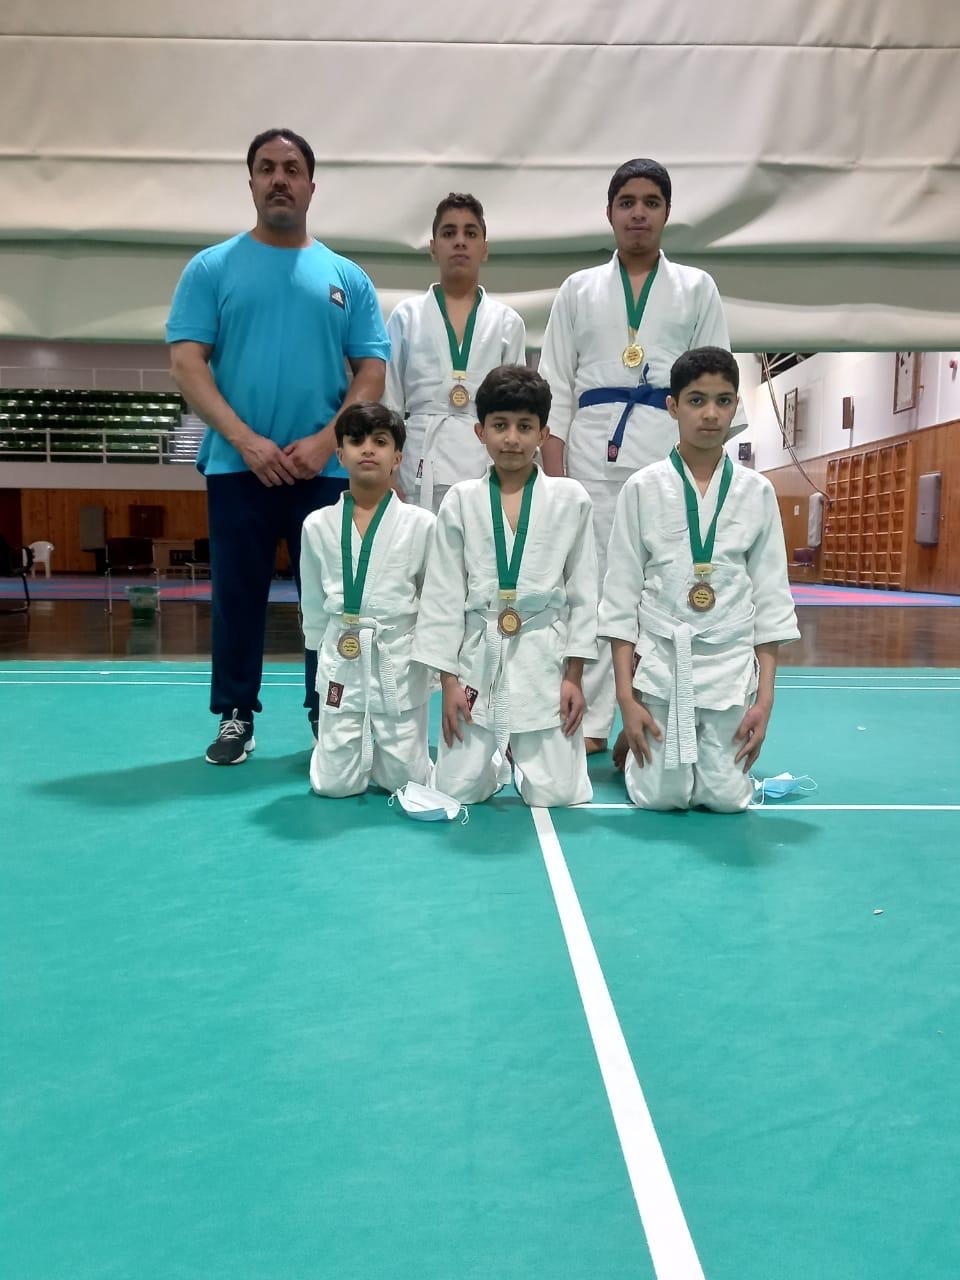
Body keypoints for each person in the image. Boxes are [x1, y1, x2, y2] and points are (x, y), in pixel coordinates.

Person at [166, 127, 390, 765]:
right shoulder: (211, 269)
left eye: (291, 169)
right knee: (238, 596)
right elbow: (187, 364)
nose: (279, 179)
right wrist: (245, 441)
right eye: (267, 168)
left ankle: (329, 712)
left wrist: (327, 442)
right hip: (238, 466)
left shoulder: (347, 277)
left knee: (331, 600)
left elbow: (371, 371)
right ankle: (235, 714)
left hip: (323, 472)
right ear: (251, 183)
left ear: (311, 186)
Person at [538, 157, 746, 755]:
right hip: (591, 459)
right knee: (591, 588)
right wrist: (557, 479)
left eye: (650, 202)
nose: (638, 213)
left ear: (666, 213)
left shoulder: (696, 287)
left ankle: (654, 709)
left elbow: (715, 383)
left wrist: (705, 478)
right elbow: (555, 387)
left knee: (661, 589)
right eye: (627, 202)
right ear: (609, 212)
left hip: (667, 458)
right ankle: (588, 720)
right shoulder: (578, 289)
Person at [598, 348, 799, 812]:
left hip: (729, 663)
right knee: (660, 798)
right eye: (696, 400)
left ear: (735, 407)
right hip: (663, 663)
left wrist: (765, 700)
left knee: (727, 799)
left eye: (723, 401)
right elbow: (620, 597)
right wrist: (626, 698)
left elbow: (772, 598)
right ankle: (636, 752)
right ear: (673, 407)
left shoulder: (757, 492)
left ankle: (701, 762)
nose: (710, 414)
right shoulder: (642, 488)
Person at [412, 365, 597, 807]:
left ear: (543, 433)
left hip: (544, 660)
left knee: (560, 794)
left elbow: (585, 593)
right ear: (480, 431)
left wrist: (574, 677)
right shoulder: (460, 500)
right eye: (500, 426)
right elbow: (442, 597)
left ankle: (524, 754)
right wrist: (448, 683)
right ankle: (495, 764)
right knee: (456, 791)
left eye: (525, 427)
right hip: (478, 659)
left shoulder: (571, 499)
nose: (512, 438)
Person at [300, 402, 435, 797]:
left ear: (397, 457)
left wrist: (434, 660)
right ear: (340, 455)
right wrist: (318, 652)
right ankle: (338, 751)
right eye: (356, 441)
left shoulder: (422, 524)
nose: (368, 450)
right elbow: (312, 601)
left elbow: (433, 600)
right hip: (342, 660)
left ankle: (393, 756)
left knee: (405, 784)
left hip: (398, 660)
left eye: (380, 441)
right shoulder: (317, 525)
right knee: (333, 786)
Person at [383, 193, 526, 512]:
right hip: (418, 458)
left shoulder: (507, 323)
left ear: (484, 248)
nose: (460, 241)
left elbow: (516, 409)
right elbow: (390, 401)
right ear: (433, 247)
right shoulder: (406, 316)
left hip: (482, 458)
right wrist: (387, 474)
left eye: (470, 233)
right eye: (449, 233)